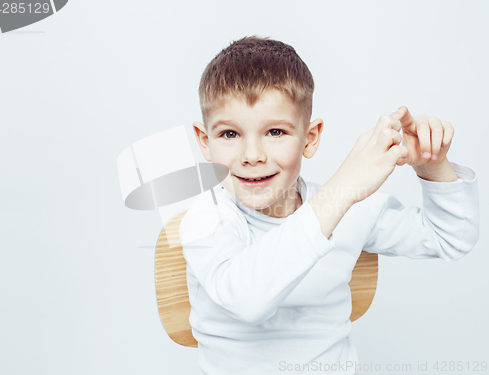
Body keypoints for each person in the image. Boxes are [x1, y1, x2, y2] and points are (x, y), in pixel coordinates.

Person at [179, 35, 479, 375]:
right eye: (230, 134)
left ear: (310, 138)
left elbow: (452, 237)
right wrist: (345, 185)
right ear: (205, 142)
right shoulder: (207, 218)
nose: (252, 156)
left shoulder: (346, 206)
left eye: (275, 132)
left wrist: (431, 164)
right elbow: (248, 300)